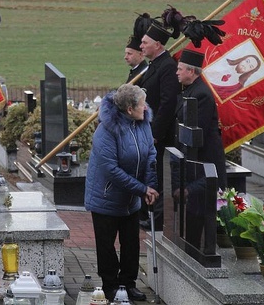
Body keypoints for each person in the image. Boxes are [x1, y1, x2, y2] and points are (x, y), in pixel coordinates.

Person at [84, 84, 159, 303]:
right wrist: (141, 189)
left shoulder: (142, 122)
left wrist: (150, 186)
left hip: (131, 198)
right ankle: (110, 285)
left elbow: (150, 153)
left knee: (131, 243)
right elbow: (111, 170)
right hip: (106, 197)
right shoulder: (106, 130)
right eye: (142, 104)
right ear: (129, 109)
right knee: (106, 245)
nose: (145, 108)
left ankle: (128, 283)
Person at [175, 48, 227, 249]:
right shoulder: (189, 90)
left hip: (205, 159)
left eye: (180, 69)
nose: (177, 73)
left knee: (202, 209)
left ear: (191, 71)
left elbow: (198, 131)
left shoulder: (201, 94)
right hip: (193, 160)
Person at [138, 22, 181, 227]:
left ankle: (159, 218)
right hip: (150, 129)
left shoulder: (168, 66)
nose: (141, 46)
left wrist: (155, 132)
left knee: (161, 177)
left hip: (162, 134)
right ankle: (151, 214)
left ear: (157, 44)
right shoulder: (155, 64)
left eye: (145, 42)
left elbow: (167, 103)